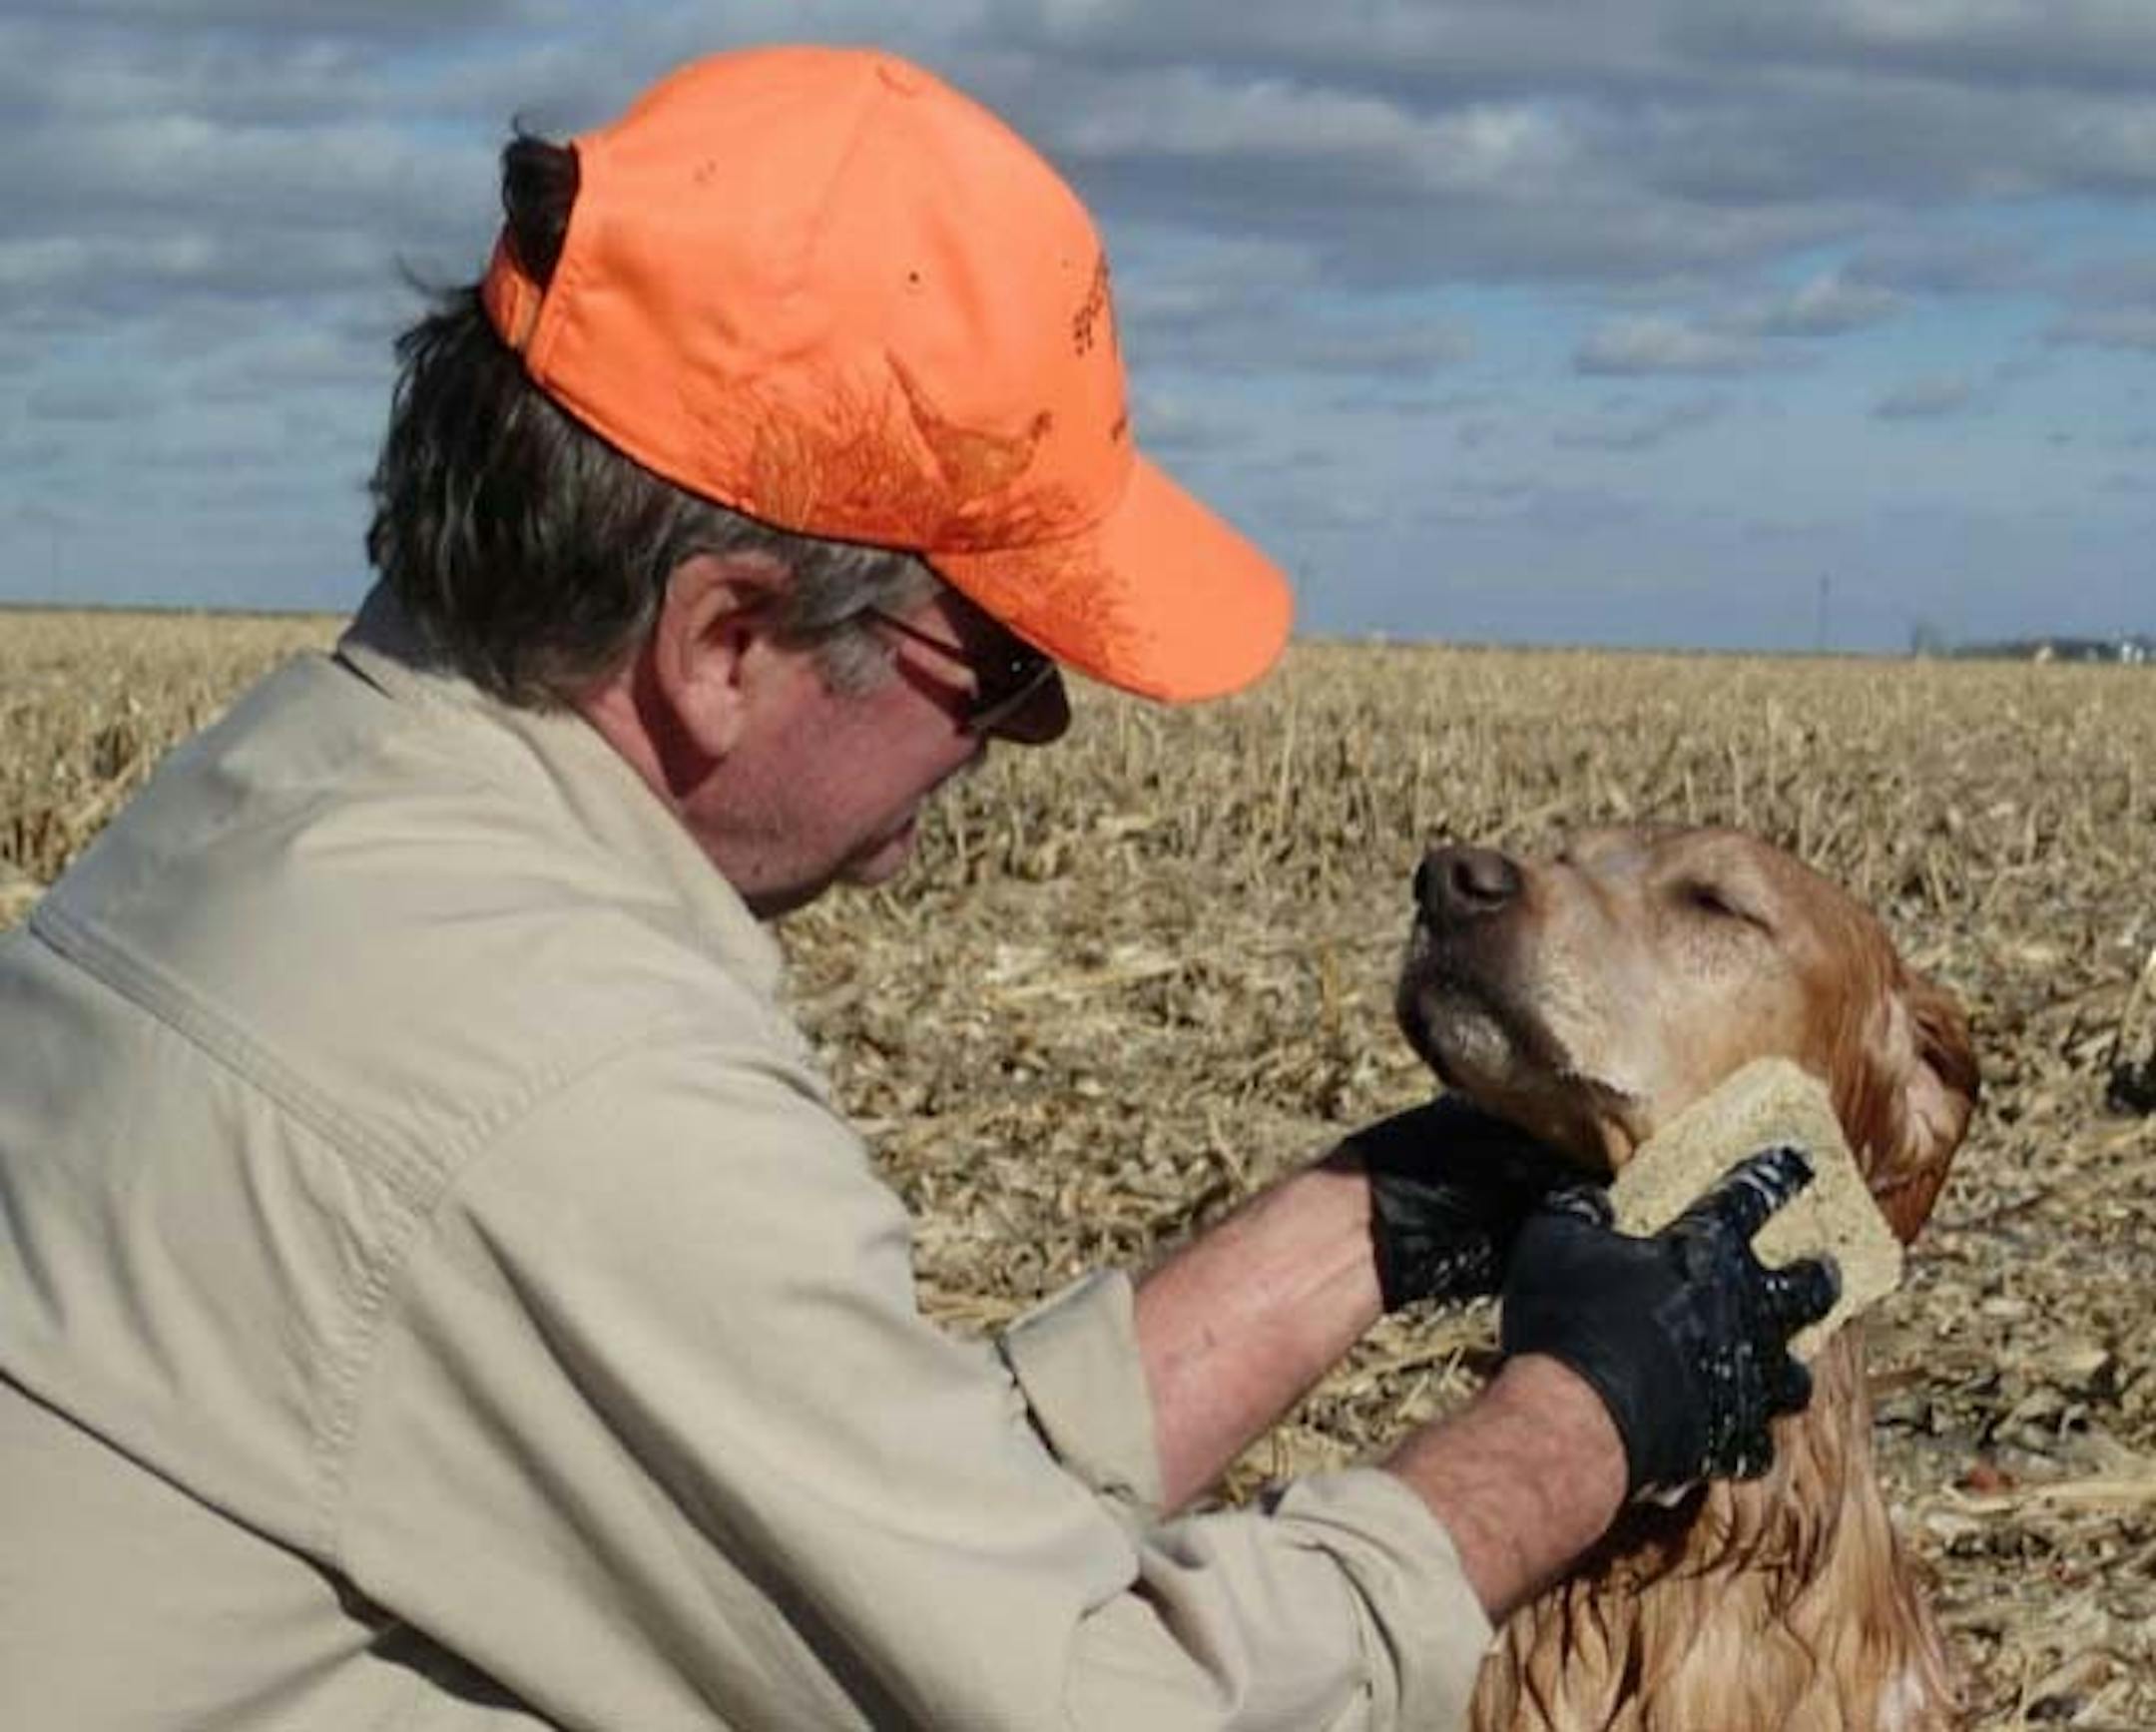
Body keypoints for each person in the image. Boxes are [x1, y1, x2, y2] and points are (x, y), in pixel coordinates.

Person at [0, 45, 1835, 1731]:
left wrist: (1367, 1221)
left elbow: (866, 1523)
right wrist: (1588, 1419)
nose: (1030, 731)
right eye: (1004, 664)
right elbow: (1104, 1709)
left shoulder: (316, 795)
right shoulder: (561, 1066)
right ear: (724, 638)